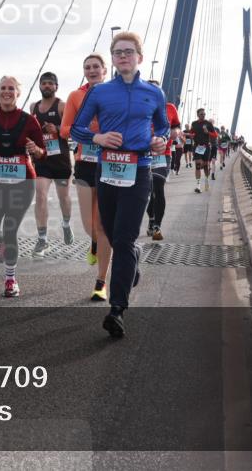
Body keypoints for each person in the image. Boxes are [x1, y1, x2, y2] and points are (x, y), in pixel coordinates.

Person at [72, 31, 177, 338]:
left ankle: (117, 309)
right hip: (107, 170)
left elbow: (163, 126)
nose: (122, 57)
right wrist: (97, 137)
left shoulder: (154, 93)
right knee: (113, 235)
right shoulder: (100, 92)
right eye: (117, 53)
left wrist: (159, 140)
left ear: (139, 58)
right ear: (113, 59)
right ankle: (132, 263)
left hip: (140, 169)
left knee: (125, 239)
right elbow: (77, 128)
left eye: (128, 52)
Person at [0, 76, 45, 297]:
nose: (7, 92)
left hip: (23, 182)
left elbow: (42, 152)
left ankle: (10, 279)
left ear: (18, 93)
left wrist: (35, 150)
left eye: (11, 89)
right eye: (3, 88)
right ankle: (3, 240)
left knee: (12, 228)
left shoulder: (29, 121)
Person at [61, 54, 113, 301]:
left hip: (111, 164)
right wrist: (90, 133)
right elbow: (64, 129)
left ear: (105, 70)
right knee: (88, 224)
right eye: (87, 67)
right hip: (84, 163)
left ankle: (101, 282)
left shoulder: (116, 94)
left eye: (96, 67)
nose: (92, 70)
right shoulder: (75, 96)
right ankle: (93, 243)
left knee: (103, 224)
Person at [30, 72, 74, 257]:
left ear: (56, 86)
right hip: (42, 161)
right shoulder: (33, 107)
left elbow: (73, 131)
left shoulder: (62, 106)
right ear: (39, 86)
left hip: (61, 161)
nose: (47, 86)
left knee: (64, 198)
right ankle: (42, 239)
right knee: (40, 195)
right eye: (44, 83)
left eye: (50, 84)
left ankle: (66, 224)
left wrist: (56, 129)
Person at [144, 81, 179, 242]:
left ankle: (157, 225)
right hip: (142, 154)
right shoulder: (139, 106)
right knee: (148, 192)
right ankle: (151, 219)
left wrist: (174, 133)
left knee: (158, 188)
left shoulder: (170, 108)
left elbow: (176, 127)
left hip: (162, 154)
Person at [189, 109, 218, 193]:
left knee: (206, 166)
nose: (203, 115)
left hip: (206, 148)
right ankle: (198, 186)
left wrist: (207, 132)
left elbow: (215, 135)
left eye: (204, 114)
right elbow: (192, 133)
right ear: (198, 115)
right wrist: (191, 135)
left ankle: (206, 180)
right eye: (201, 114)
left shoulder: (208, 124)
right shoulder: (194, 124)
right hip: (197, 147)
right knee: (198, 165)